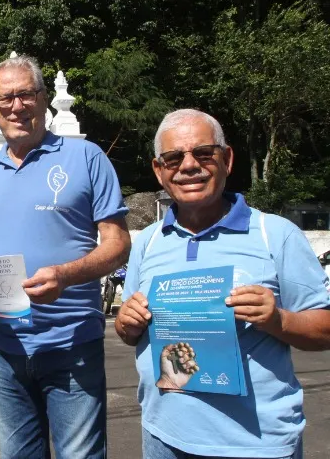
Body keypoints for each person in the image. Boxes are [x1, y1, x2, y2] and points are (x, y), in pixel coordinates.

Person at [115, 109, 330, 458]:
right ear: (159, 170)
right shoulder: (149, 241)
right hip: (163, 437)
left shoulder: (275, 235)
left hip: (256, 445)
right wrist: (126, 324)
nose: (188, 166)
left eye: (203, 153)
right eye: (173, 158)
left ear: (226, 159)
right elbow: (130, 333)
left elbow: (325, 328)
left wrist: (280, 320)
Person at [0, 55, 131, 458]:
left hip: (71, 346)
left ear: (44, 98)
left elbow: (118, 244)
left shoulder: (86, 158)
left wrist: (65, 275)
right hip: (5, 347)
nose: (16, 106)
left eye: (26, 94)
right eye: (5, 99)